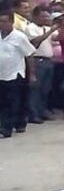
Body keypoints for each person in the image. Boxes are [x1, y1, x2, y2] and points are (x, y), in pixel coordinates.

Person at [0, 10, 37, 138]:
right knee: (3, 101)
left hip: (15, 73)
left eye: (5, 21)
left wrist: (31, 74)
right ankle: (11, 122)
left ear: (11, 22)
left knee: (12, 101)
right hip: (1, 73)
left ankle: (6, 127)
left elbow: (30, 54)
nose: (2, 24)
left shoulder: (19, 37)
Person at [25, 6, 59, 123]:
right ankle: (33, 114)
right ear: (35, 16)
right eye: (42, 16)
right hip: (36, 60)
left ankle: (42, 111)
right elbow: (35, 42)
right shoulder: (30, 28)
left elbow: (56, 39)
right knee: (36, 89)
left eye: (46, 16)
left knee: (46, 89)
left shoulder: (47, 27)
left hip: (49, 60)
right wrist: (50, 31)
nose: (45, 18)